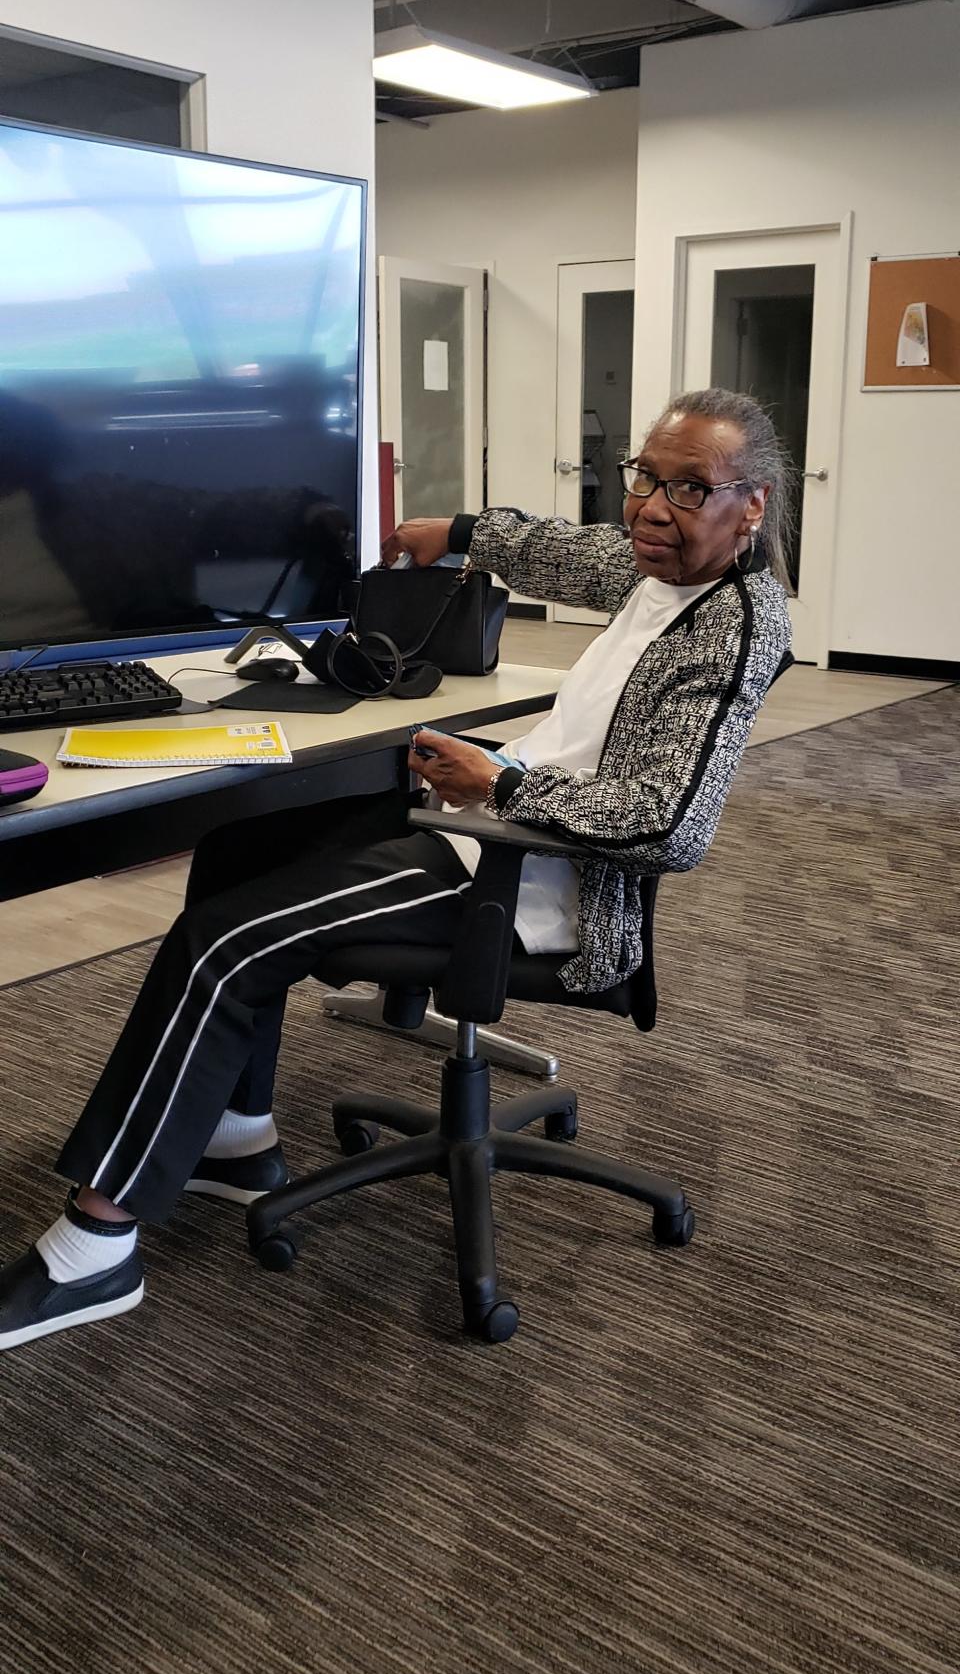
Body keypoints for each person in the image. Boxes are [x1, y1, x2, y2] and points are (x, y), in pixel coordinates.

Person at [0, 388, 793, 1352]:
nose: (649, 511)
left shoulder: (738, 624)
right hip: (493, 819)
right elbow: (560, 549)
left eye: (688, 489)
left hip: (536, 877)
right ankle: (239, 1139)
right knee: (238, 849)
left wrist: (497, 786)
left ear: (749, 505)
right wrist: (452, 528)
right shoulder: (659, 564)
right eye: (644, 479)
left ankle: (98, 1245)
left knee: (230, 939)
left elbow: (669, 824)